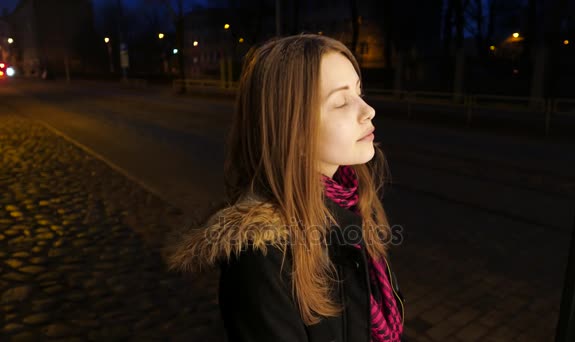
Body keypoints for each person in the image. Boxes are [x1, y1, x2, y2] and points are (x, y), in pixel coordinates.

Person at [165, 34, 405, 342]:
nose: (368, 110)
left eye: (359, 91)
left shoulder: (352, 203)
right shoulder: (260, 258)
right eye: (342, 101)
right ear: (292, 129)